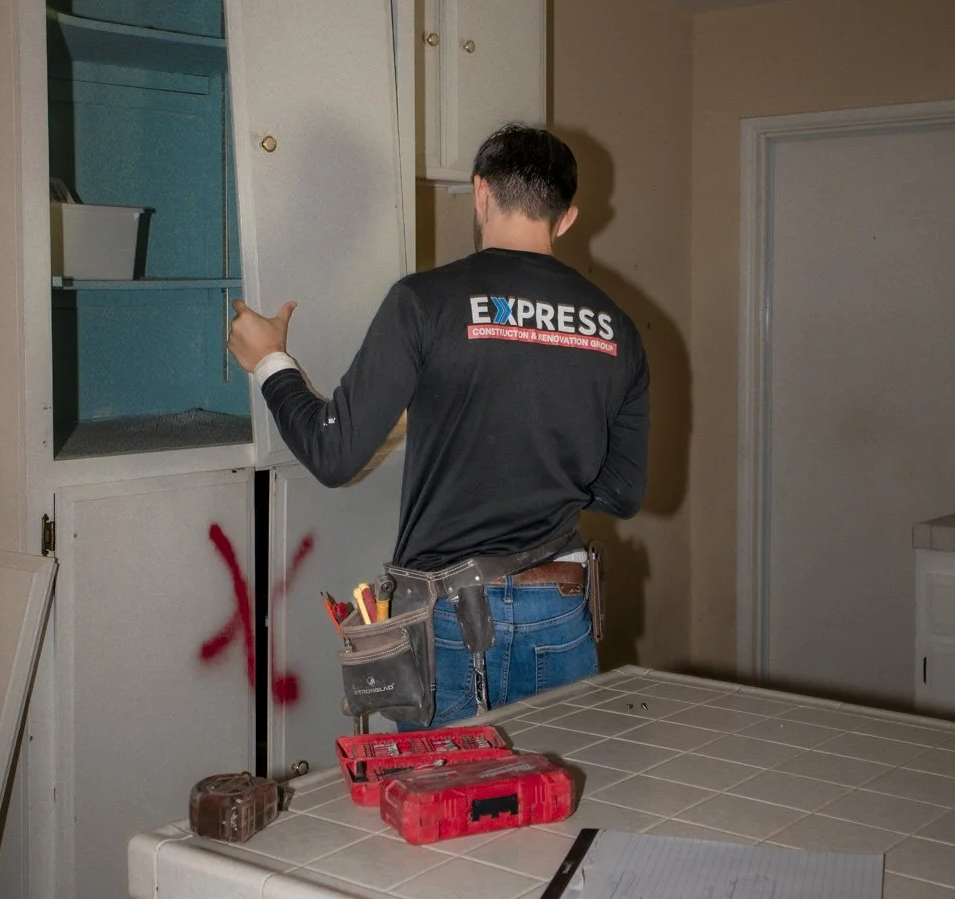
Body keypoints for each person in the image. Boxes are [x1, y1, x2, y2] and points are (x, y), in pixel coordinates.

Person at [227, 123, 649, 725]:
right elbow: (623, 493)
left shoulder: (426, 302)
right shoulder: (618, 329)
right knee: (555, 805)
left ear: (482, 193)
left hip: (453, 619)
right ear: (568, 218)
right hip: (559, 609)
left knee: (446, 805)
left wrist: (269, 360)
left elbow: (333, 452)